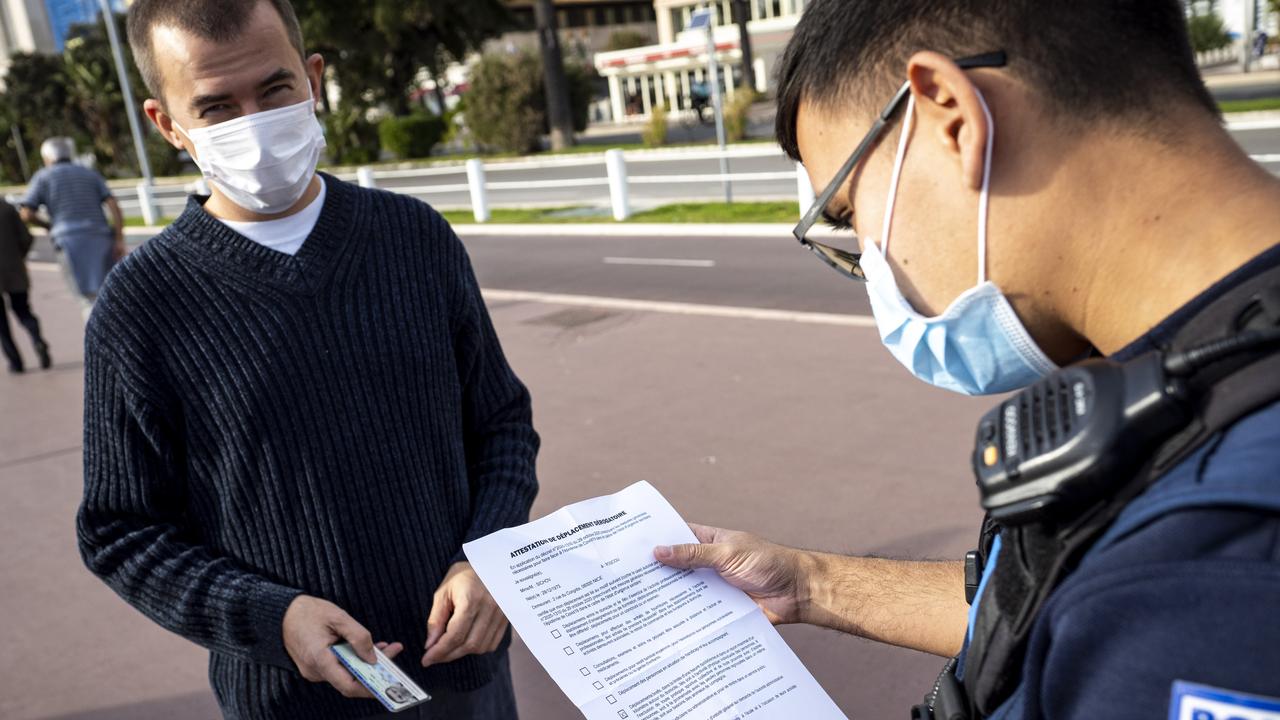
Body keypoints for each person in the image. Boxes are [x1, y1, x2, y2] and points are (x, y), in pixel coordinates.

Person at [654, 1, 1280, 717]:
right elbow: (1059, 604)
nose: (877, 269)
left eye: (854, 217)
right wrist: (809, 583)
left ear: (953, 117)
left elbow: (1133, 604)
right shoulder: (1215, 369)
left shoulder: (1215, 570)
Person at [76, 1, 539, 719]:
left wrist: (487, 557)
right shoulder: (140, 307)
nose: (253, 123)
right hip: (289, 702)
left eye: (275, 90)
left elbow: (503, 424)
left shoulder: (415, 239)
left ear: (313, 77)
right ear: (166, 125)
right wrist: (273, 617)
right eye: (217, 107)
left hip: (467, 682)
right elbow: (121, 531)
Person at [19, 137, 124, 322]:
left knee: (88, 300)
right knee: (113, 294)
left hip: (68, 241)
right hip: (101, 237)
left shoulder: (43, 176)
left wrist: (50, 226)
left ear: (47, 158)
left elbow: (26, 213)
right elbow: (113, 205)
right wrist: (118, 238)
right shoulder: (89, 174)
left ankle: (102, 344)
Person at [0, 198, 50, 373]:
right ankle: (37, 339)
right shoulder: (6, 207)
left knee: (2, 326)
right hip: (15, 270)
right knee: (23, 311)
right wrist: (18, 256)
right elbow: (26, 237)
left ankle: (16, 363)